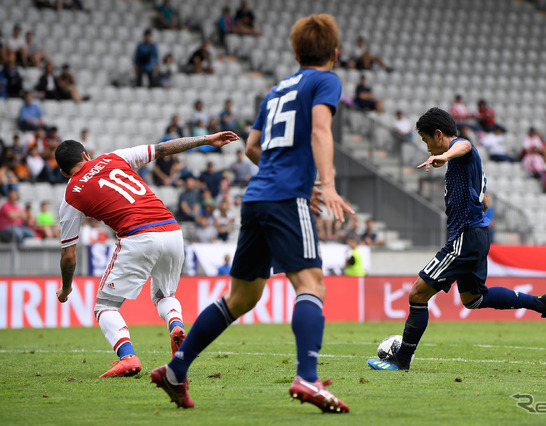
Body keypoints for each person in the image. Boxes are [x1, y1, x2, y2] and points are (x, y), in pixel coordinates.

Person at [150, 13, 352, 413]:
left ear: (296, 51)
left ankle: (176, 370)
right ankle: (307, 379)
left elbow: (251, 147)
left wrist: (282, 173)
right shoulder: (325, 80)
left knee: (242, 296)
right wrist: (325, 184)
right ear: (334, 51)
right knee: (312, 284)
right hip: (285, 198)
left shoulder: (276, 90)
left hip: (257, 195)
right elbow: (319, 131)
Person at [367, 107, 546, 372]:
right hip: (476, 235)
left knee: (417, 293)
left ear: (439, 135)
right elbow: (482, 198)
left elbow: (465, 145)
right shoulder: (462, 164)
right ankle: (542, 304)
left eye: (427, 141)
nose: (428, 149)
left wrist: (446, 154)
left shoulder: (461, 152)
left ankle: (401, 360)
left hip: (466, 237)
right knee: (474, 298)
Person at [54, 131, 239, 378]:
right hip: (172, 229)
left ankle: (128, 357)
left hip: (138, 235)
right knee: (165, 294)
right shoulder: (115, 157)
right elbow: (163, 149)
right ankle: (176, 325)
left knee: (105, 307)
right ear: (86, 155)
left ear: (64, 172)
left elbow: (69, 255)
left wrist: (66, 288)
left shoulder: (70, 195)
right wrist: (206, 140)